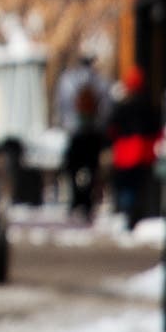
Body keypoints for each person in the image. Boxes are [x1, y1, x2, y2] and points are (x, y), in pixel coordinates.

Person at [105, 67, 163, 229]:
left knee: (126, 187)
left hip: (125, 153)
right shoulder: (149, 106)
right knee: (141, 186)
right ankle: (139, 214)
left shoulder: (122, 107)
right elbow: (157, 129)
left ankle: (128, 216)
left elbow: (111, 129)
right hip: (144, 152)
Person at [54, 54, 106, 222]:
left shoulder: (68, 80)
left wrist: (65, 124)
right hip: (93, 134)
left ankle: (76, 200)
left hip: (75, 133)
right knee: (91, 169)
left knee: (72, 169)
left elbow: (61, 105)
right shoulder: (100, 81)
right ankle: (88, 202)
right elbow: (107, 107)